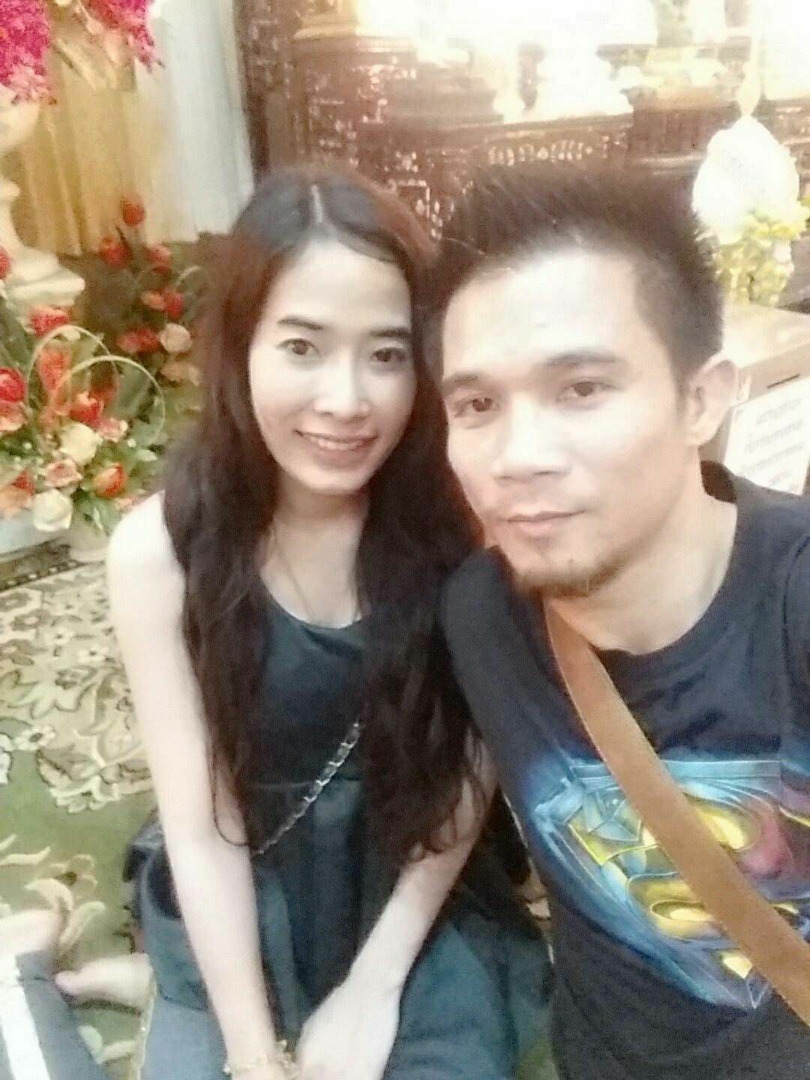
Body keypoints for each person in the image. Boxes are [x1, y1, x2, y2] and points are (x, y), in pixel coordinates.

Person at [100, 165, 549, 1080]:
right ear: (241, 346)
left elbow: (471, 765)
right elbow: (201, 827)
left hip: (412, 887)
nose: (346, 402)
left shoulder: (463, 530)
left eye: (386, 355)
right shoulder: (160, 553)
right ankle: (40, 974)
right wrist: (251, 1055)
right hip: (245, 882)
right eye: (303, 347)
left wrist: (374, 987)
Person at [434, 164, 810, 1080]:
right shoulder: (482, 616)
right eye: (477, 405)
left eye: (581, 389)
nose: (519, 457)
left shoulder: (792, 606)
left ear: (700, 399)